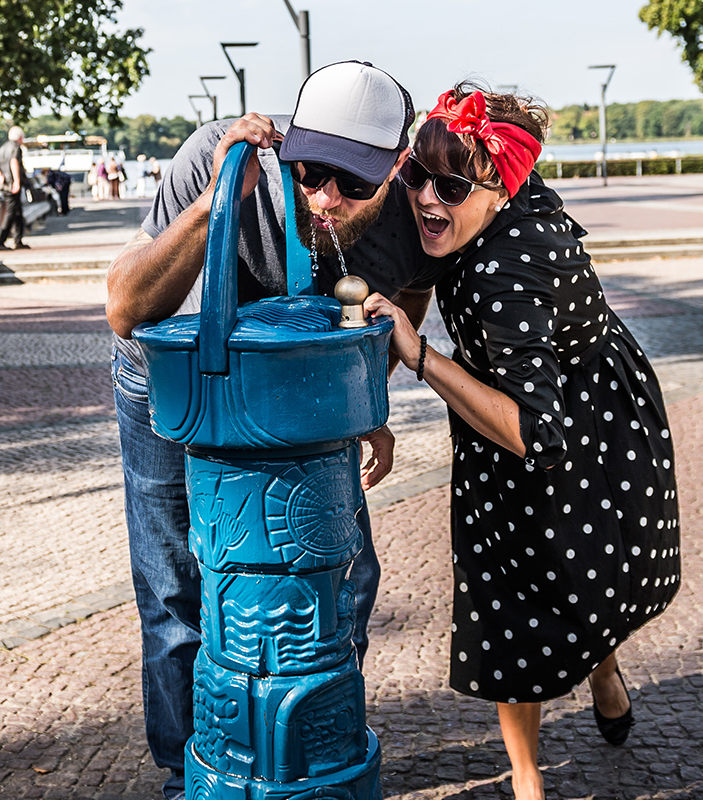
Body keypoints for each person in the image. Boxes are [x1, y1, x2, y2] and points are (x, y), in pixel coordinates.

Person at [103, 60, 449, 800]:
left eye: (352, 181)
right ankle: (186, 774)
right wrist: (219, 199)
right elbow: (126, 308)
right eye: (310, 169)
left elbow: (405, 302)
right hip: (174, 386)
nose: (324, 197)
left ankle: (311, 748)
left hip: (295, 398)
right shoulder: (218, 156)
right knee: (177, 587)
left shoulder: (412, 214)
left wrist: (368, 408)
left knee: (343, 574)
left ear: (396, 164)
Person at [363, 84, 681, 800]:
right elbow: (424, 263)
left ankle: (570, 718)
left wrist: (418, 356)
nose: (425, 200)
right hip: (575, 393)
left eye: (450, 186)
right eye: (416, 173)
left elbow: (531, 431)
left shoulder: (501, 275)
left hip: (559, 419)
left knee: (532, 593)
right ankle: (536, 768)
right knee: (531, 593)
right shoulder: (504, 190)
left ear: (500, 193)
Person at [0, 126, 30, 250]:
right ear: (20, 137)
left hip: (5, 184)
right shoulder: (16, 147)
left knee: (17, 212)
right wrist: (16, 181)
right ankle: (0, 241)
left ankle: (18, 240)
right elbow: (14, 162)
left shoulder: (4, 147)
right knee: (11, 212)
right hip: (12, 185)